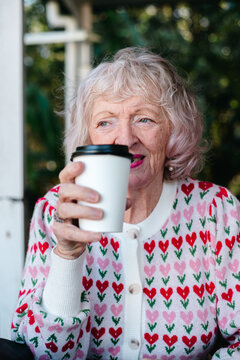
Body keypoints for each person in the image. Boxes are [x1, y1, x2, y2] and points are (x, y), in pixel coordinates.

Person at [11, 47, 240, 360]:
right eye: (105, 122)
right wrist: (67, 256)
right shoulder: (56, 211)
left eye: (144, 119)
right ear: (87, 137)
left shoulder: (215, 211)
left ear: (174, 131)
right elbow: (42, 353)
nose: (125, 139)